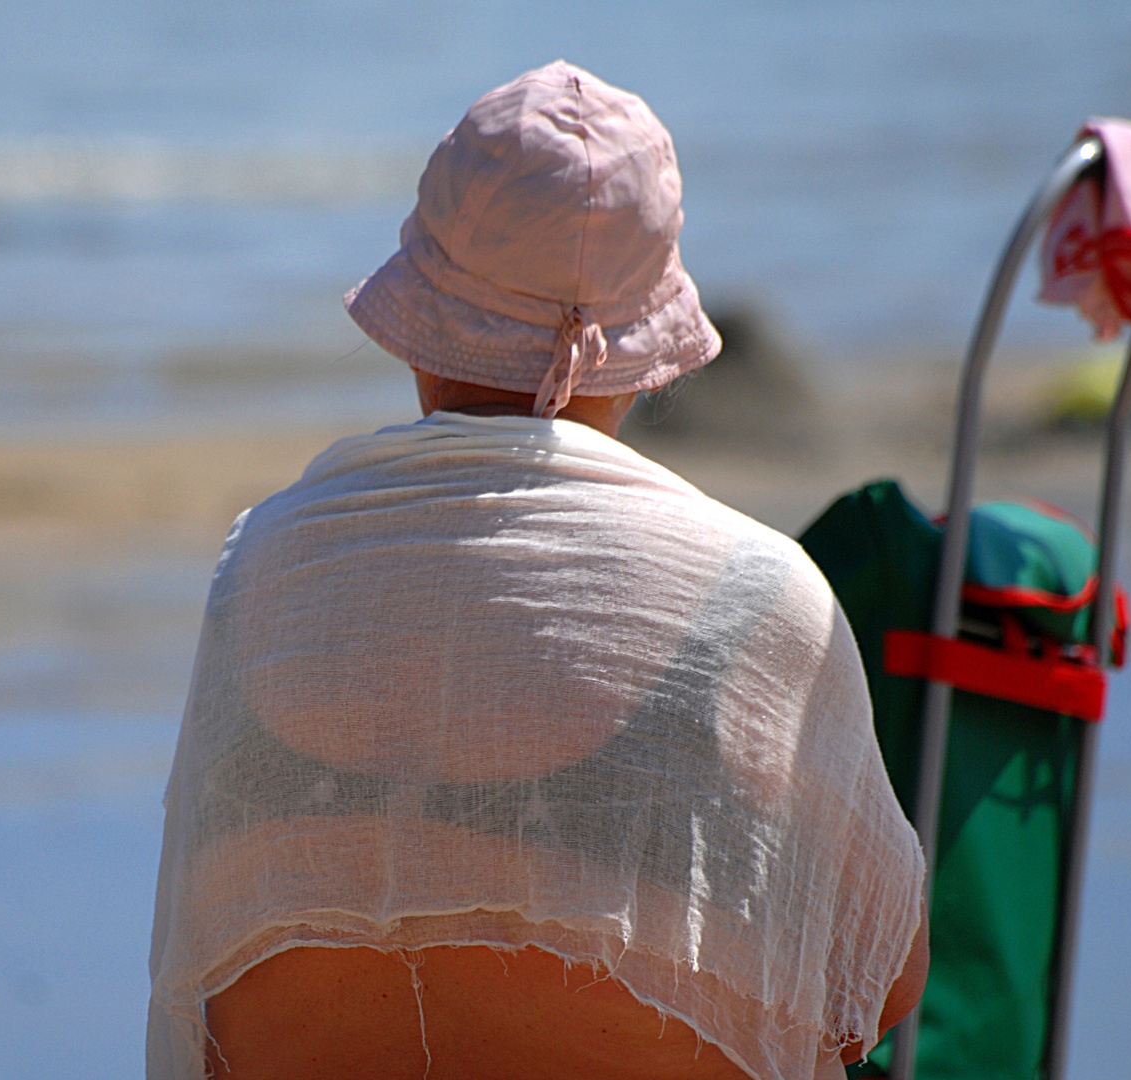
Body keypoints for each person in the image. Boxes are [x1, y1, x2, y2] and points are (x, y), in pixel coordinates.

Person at [147, 61, 926, 1080]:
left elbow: (198, 970)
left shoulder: (261, 570)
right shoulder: (758, 599)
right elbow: (880, 981)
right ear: (638, 359)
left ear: (421, 326)